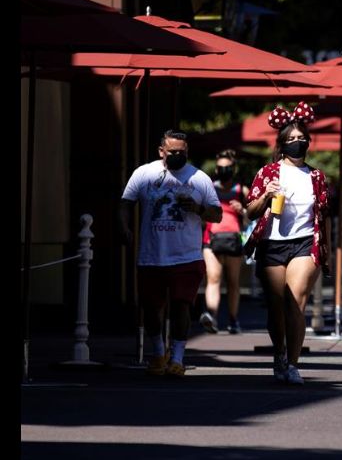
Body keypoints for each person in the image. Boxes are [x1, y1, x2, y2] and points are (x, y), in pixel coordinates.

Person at [119, 130, 222, 377]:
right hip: (151, 254)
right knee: (151, 308)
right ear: (161, 151)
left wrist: (198, 209)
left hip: (186, 255)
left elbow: (217, 214)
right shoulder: (143, 174)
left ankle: (177, 358)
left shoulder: (200, 178)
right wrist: (124, 227)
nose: (178, 156)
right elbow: (125, 203)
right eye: (173, 152)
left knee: (181, 306)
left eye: (182, 153)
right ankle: (157, 354)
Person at [243, 102, 330, 385]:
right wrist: (266, 196)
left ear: (309, 141)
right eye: (291, 139)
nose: (297, 143)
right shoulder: (268, 173)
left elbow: (323, 215)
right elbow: (250, 212)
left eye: (301, 138)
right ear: (281, 144)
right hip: (272, 244)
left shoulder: (316, 176)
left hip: (304, 243)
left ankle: (293, 364)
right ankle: (279, 353)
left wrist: (325, 250)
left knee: (295, 302)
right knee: (276, 305)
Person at [199, 149, 250, 335]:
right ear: (216, 169)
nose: (224, 171)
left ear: (234, 168)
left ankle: (233, 320)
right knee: (212, 278)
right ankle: (211, 316)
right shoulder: (209, 188)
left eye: (227, 167)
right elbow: (200, 214)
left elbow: (253, 218)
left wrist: (242, 210)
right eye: (220, 168)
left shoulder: (241, 190)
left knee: (233, 282)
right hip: (211, 239)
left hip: (234, 240)